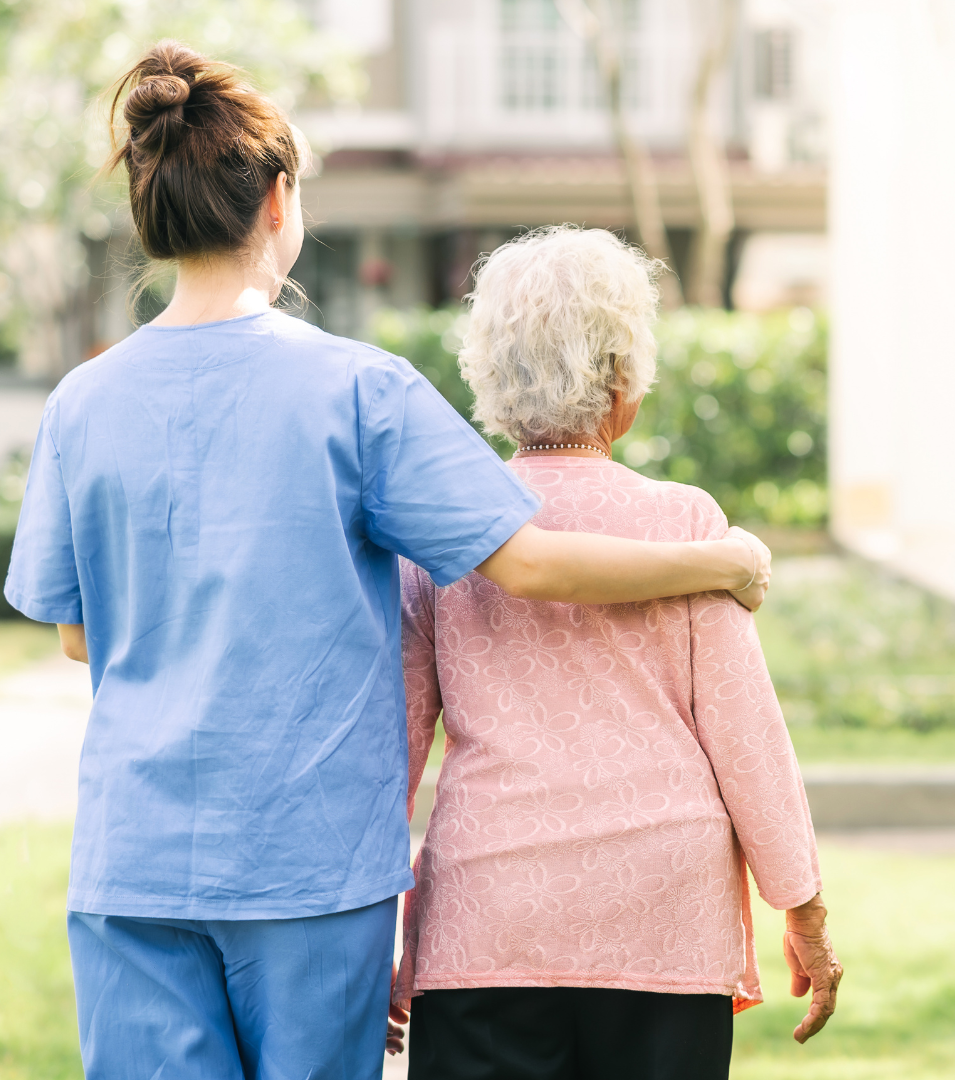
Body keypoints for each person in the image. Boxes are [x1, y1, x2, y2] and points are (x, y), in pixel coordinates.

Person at [2, 45, 774, 1080]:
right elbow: (532, 565)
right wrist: (713, 562)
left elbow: (76, 634)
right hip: (311, 870)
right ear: (279, 202)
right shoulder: (359, 392)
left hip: (133, 864)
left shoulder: (80, 405)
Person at [393, 227, 842, 1080]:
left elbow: (392, 754)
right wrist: (806, 915)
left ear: (490, 376)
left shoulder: (442, 537)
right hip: (663, 915)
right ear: (622, 382)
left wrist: (375, 928)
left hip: (491, 916)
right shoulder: (686, 525)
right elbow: (749, 741)